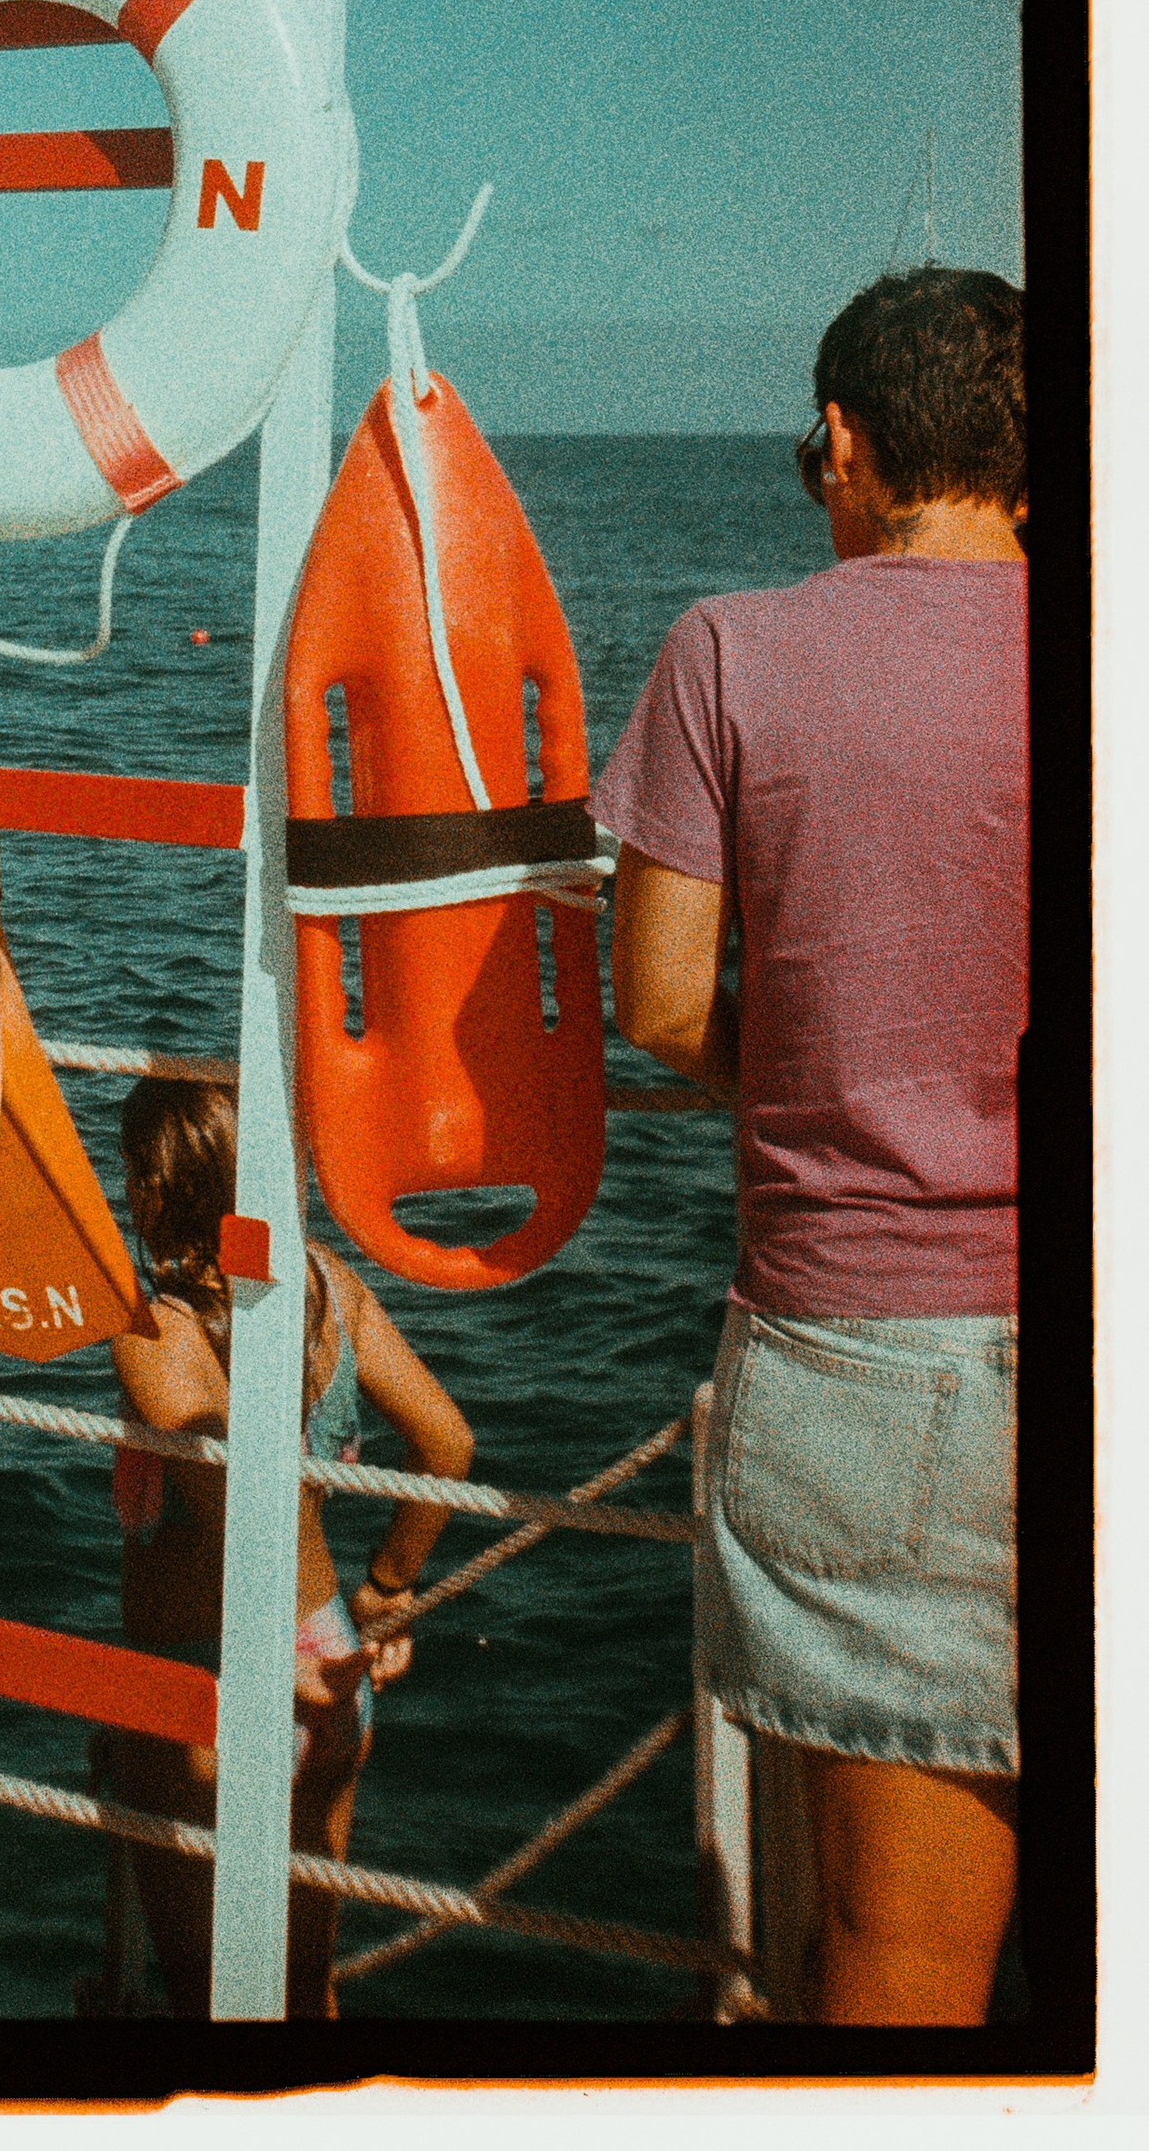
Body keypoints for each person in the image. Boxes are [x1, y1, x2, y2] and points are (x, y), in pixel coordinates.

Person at [602, 265, 1025, 2026]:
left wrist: (842, 1065)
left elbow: (662, 1002)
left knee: (891, 1951)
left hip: (868, 1360)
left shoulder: (732, 650)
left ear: (839, 438)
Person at [93, 1076, 473, 2018]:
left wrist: (263, 1662)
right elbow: (447, 1444)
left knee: (205, 2003)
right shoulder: (327, 1284)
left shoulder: (156, 1331)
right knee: (305, 1993)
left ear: (160, 1187)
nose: (127, 1190)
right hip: (330, 1665)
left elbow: (237, 1505)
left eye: (134, 1171)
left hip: (212, 1687)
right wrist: (388, 1588)